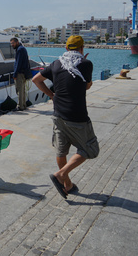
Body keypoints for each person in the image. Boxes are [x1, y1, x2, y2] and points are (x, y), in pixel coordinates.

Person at [32, 35, 99, 199]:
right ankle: (61, 175)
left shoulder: (56, 64)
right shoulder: (85, 64)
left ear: (67, 48)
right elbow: (87, 86)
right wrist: (84, 64)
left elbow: (36, 79)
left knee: (61, 151)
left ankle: (67, 184)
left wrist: (52, 95)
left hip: (58, 115)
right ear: (82, 49)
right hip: (77, 116)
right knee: (91, 149)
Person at [10, 37, 31, 111]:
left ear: (17, 42)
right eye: (11, 43)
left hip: (20, 73)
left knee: (19, 90)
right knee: (22, 90)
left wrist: (15, 74)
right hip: (24, 72)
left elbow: (18, 63)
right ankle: (23, 105)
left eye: (13, 43)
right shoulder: (22, 48)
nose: (12, 45)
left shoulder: (19, 50)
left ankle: (20, 106)